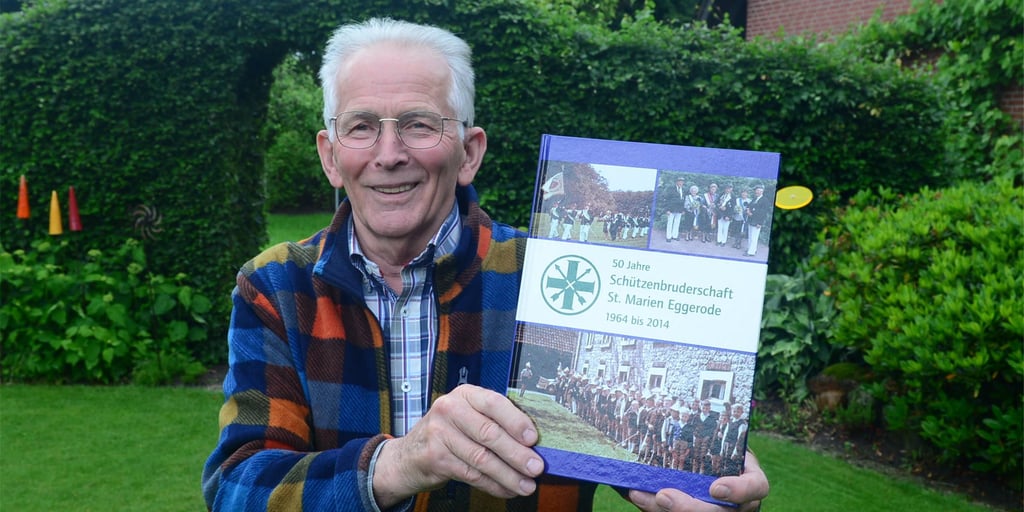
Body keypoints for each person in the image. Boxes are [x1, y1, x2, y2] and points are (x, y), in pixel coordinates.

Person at [202, 17, 768, 512]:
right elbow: (238, 488)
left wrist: (706, 486)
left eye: (420, 124)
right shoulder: (275, 285)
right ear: (331, 155)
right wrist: (396, 465)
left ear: (469, 152)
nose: (389, 153)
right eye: (361, 126)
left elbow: (637, 463)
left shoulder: (550, 276)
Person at [745, 185, 770, 257]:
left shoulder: (765, 200)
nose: (757, 192)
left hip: (757, 222)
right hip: (751, 220)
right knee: (750, 236)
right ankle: (751, 249)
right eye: (756, 190)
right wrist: (747, 210)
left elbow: (763, 213)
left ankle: (751, 252)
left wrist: (760, 223)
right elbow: (749, 206)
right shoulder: (754, 199)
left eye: (758, 191)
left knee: (754, 237)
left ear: (762, 191)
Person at [664, 177, 686, 242]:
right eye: (679, 181)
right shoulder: (671, 189)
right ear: (676, 182)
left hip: (679, 210)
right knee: (670, 222)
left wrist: (683, 210)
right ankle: (668, 237)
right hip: (671, 209)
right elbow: (666, 199)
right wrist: (667, 209)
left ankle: (675, 236)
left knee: (677, 223)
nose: (680, 183)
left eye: (682, 182)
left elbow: (684, 201)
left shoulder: (684, 190)